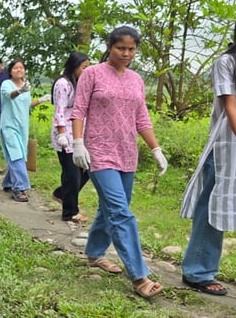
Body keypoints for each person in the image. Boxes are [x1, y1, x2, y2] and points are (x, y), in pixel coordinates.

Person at [70, 26, 168, 299]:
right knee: (120, 212)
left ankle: (94, 253)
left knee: (111, 207)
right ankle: (139, 276)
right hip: (98, 151)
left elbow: (141, 118)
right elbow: (78, 110)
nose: (126, 53)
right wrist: (77, 143)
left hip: (127, 152)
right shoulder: (92, 74)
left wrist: (156, 149)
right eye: (120, 48)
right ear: (109, 46)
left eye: (131, 49)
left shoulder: (136, 80)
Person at [180, 4, 236, 296]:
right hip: (228, 147)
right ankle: (198, 271)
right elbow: (230, 106)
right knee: (213, 206)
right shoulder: (227, 62)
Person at [0, 59, 51, 202]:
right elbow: (10, 95)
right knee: (17, 155)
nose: (19, 70)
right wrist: (20, 91)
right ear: (10, 71)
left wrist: (40, 100)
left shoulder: (26, 85)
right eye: (15, 68)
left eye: (21, 68)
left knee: (20, 154)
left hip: (22, 126)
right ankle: (19, 188)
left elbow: (26, 106)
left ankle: (8, 183)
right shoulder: (6, 84)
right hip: (9, 125)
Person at [50, 51, 91, 221]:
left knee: (87, 168)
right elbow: (59, 109)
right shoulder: (63, 84)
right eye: (83, 67)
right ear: (74, 66)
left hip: (78, 133)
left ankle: (61, 194)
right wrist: (61, 134)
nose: (86, 71)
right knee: (72, 174)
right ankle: (70, 212)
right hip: (65, 134)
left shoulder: (80, 83)